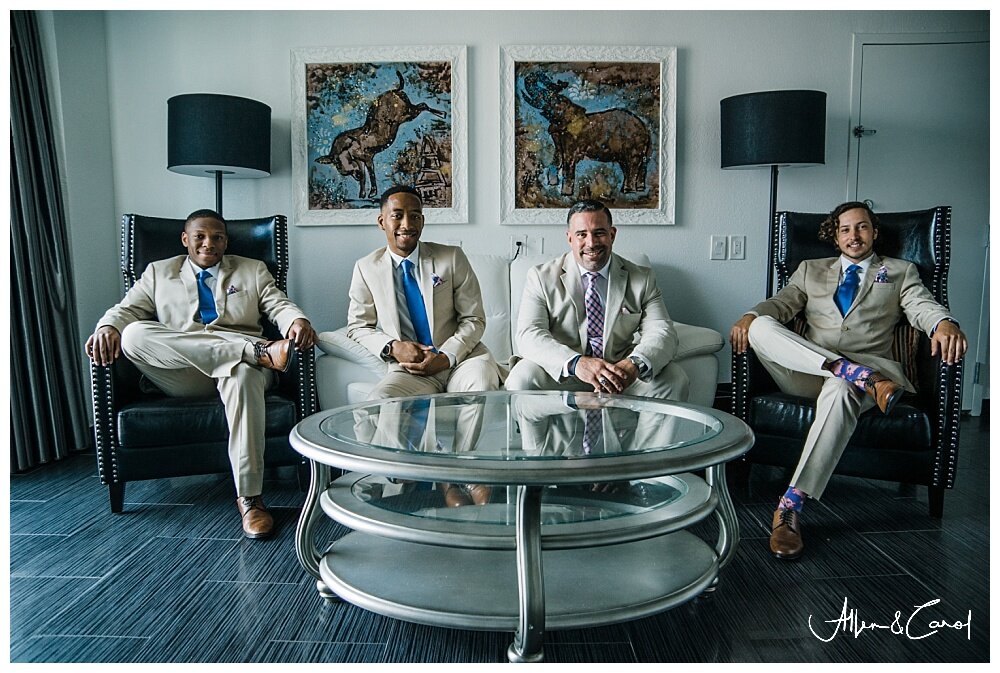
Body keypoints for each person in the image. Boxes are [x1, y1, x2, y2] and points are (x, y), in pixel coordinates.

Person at [729, 201, 967, 561]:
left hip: (870, 374)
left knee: (843, 388)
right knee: (762, 325)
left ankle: (790, 506)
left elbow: (922, 307)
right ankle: (848, 369)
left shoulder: (900, 271)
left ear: (874, 232)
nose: (853, 236)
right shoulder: (809, 269)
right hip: (806, 370)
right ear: (834, 235)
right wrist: (750, 317)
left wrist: (943, 323)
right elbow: (780, 304)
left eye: (862, 227)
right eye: (845, 229)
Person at [85, 209, 317, 540]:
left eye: (217, 237)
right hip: (186, 372)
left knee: (243, 375)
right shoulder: (157, 273)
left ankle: (250, 499)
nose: (209, 243)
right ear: (185, 240)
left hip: (245, 371)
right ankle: (253, 352)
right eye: (200, 237)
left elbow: (278, 305)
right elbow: (125, 310)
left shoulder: (252, 270)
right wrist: (107, 326)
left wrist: (297, 321)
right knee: (134, 334)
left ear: (226, 240)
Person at [346, 185, 501, 504]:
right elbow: (358, 326)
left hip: (462, 359)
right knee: (378, 401)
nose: (407, 223)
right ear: (381, 221)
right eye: (397, 215)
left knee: (482, 382)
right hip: (412, 369)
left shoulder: (450, 258)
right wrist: (393, 346)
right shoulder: (366, 267)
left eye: (415, 215)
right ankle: (410, 478)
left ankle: (461, 477)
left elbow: (475, 319)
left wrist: (447, 356)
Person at [505, 199, 689, 403]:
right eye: (581, 234)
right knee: (522, 378)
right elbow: (529, 334)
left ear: (612, 234)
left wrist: (634, 364)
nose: (591, 243)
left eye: (599, 232)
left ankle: (643, 437)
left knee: (674, 378)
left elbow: (662, 330)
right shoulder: (541, 277)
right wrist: (576, 363)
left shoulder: (642, 278)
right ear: (569, 239)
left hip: (618, 371)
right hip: (564, 372)